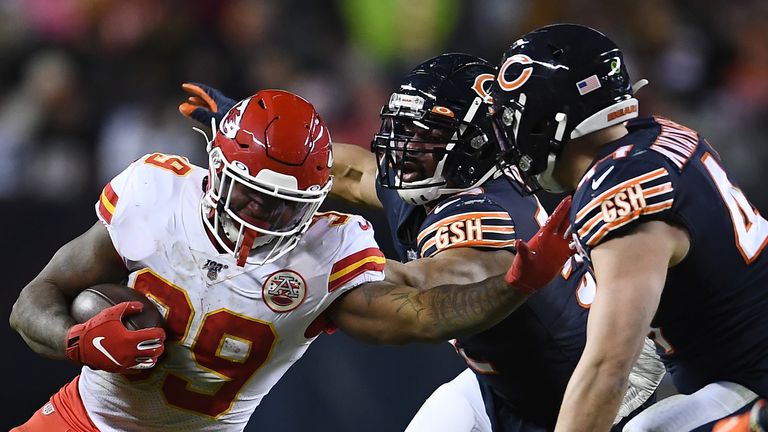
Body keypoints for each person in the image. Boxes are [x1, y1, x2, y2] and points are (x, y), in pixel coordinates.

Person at [9, 89, 574, 431]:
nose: (258, 217)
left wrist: (515, 284)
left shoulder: (325, 254)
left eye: (280, 207)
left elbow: (421, 314)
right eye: (249, 194)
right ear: (215, 170)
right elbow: (34, 300)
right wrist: (76, 341)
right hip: (84, 418)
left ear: (313, 203)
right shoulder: (156, 193)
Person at [180, 55, 663, 431]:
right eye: (403, 130)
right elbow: (351, 171)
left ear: (477, 141)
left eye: (424, 135)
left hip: (589, 394)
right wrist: (259, 148)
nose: (401, 147)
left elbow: (422, 294)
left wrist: (299, 252)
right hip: (504, 385)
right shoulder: (437, 179)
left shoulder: (480, 216)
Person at [490, 23, 768, 431]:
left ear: (551, 120)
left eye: (513, 118)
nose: (507, 136)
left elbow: (608, 366)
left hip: (753, 378)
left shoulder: (620, 188)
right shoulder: (652, 136)